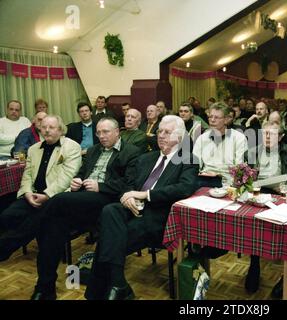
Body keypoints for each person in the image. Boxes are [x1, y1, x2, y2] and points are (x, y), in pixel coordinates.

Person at [84, 115, 199, 300]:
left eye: (167, 132)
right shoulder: (146, 158)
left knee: (109, 238)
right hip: (132, 207)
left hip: (158, 214)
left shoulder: (188, 159)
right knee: (109, 210)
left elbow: (184, 188)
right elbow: (128, 182)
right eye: (159, 131)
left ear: (179, 137)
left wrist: (145, 195)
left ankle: (108, 288)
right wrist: (126, 196)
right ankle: (119, 285)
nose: (160, 135)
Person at [29, 117, 140, 300]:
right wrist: (76, 181)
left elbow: (129, 184)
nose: (101, 136)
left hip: (108, 201)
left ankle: (28, 229)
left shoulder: (131, 152)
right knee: (51, 226)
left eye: (106, 132)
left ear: (117, 132)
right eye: (98, 132)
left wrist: (101, 186)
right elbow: (82, 173)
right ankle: (45, 286)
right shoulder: (93, 150)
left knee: (56, 202)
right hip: (83, 200)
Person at [0, 115, 81, 261]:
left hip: (56, 198)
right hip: (33, 196)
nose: (47, 131)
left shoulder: (72, 147)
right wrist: (27, 193)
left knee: (34, 222)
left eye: (52, 127)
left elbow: (67, 177)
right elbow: (27, 175)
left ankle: (4, 249)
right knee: (7, 215)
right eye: (44, 127)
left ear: (61, 130)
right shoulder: (33, 149)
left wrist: (47, 195)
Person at [244, 122, 287, 293]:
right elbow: (245, 175)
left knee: (286, 229)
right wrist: (250, 183)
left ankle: (285, 274)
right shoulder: (252, 152)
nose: (267, 137)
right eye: (264, 134)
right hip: (259, 193)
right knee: (252, 225)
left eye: (271, 134)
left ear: (280, 137)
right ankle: (254, 263)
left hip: (282, 195)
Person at [193, 102, 247, 188]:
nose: (212, 120)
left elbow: (240, 168)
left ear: (226, 120)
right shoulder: (202, 139)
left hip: (228, 183)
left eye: (216, 117)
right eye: (210, 117)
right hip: (205, 181)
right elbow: (194, 166)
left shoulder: (239, 138)